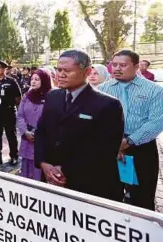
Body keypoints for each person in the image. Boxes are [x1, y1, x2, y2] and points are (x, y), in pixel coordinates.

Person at [34, 49, 124, 202]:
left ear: (86, 71)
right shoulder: (53, 96)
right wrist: (44, 163)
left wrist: (65, 170)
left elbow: (105, 149)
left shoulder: (108, 104)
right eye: (58, 69)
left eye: (67, 71)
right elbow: (42, 132)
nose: (60, 75)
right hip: (50, 178)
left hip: (88, 184)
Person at [98, 50, 163, 210]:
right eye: (114, 65)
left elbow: (156, 121)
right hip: (109, 149)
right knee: (110, 194)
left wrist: (128, 141)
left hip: (141, 148)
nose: (117, 68)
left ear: (136, 66)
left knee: (142, 196)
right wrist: (112, 144)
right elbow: (97, 121)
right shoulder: (101, 90)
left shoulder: (154, 90)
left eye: (123, 65)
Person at [17, 69, 52, 180]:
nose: (33, 82)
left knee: (41, 174)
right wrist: (25, 132)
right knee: (27, 174)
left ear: (44, 81)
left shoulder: (52, 97)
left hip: (44, 141)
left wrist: (39, 133)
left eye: (37, 79)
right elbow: (20, 116)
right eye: (32, 79)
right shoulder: (26, 96)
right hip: (28, 139)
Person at [0, 60, 22, 165]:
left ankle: (14, 156)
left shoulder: (11, 81)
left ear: (4, 69)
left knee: (11, 135)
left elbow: (18, 98)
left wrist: (19, 112)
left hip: (8, 112)